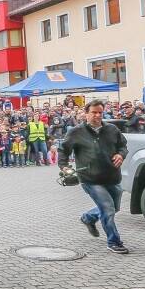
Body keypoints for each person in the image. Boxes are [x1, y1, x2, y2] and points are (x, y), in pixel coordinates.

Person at [58, 100, 131, 254]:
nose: (97, 115)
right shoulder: (76, 131)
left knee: (114, 208)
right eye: (94, 112)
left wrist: (121, 154)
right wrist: (64, 166)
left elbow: (123, 146)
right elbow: (63, 150)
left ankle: (89, 217)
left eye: (100, 112)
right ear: (86, 113)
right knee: (108, 209)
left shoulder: (112, 129)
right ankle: (114, 242)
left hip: (112, 176)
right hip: (90, 178)